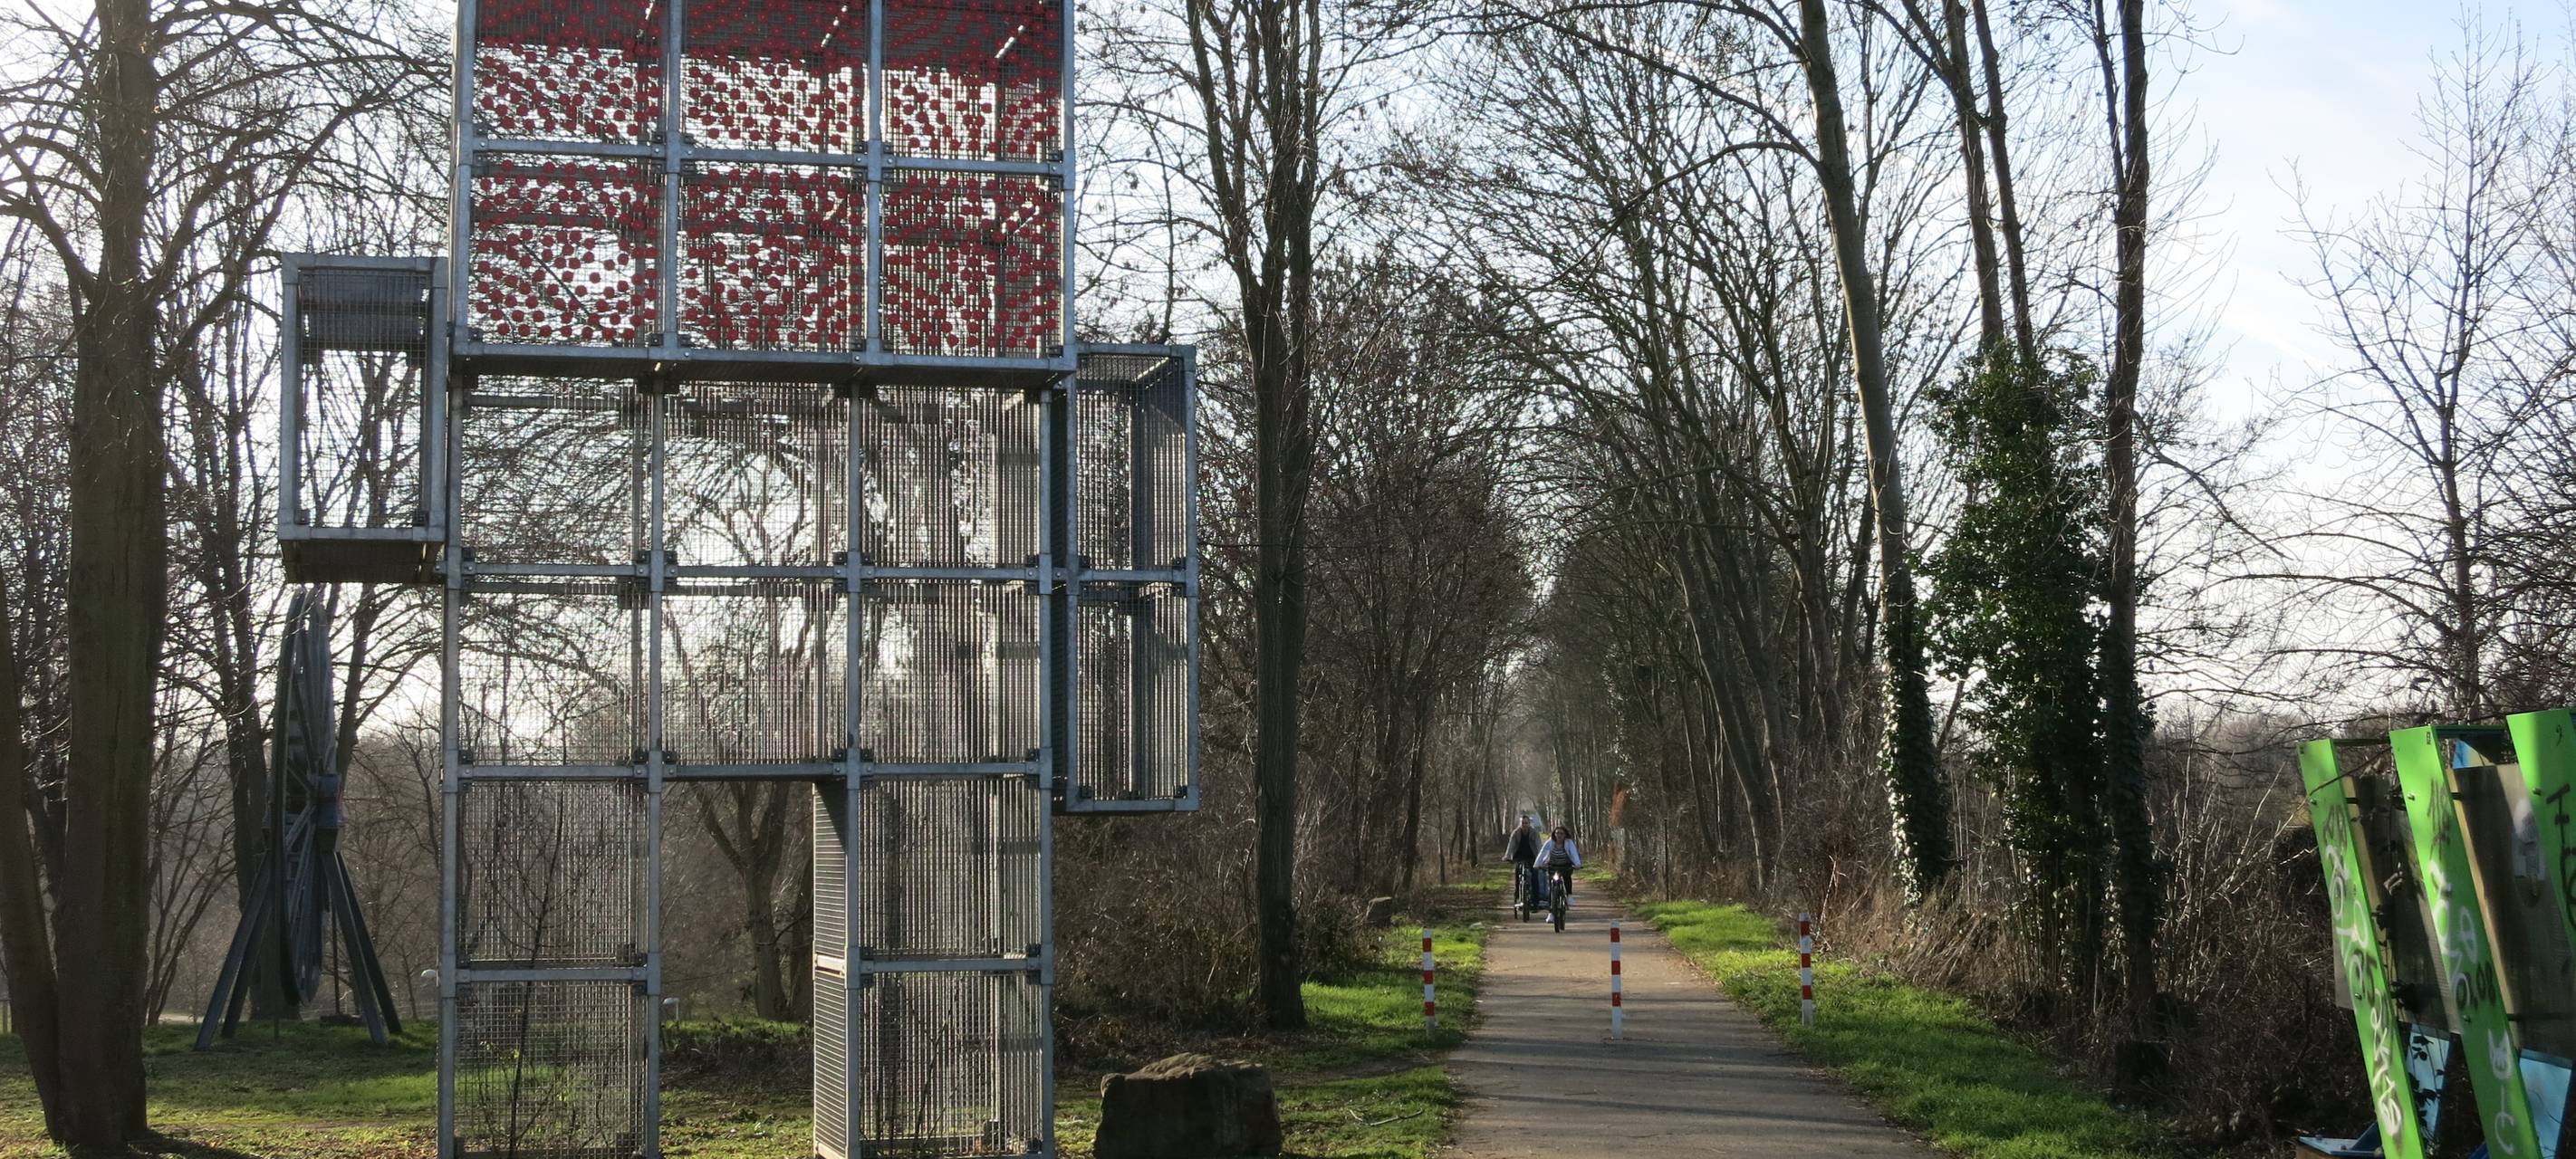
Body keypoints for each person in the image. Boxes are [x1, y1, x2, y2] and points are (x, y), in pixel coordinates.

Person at [1533, 824, 1581, 905]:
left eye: (1561, 833)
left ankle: (1569, 895)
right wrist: (1537, 864)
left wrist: (1577, 864)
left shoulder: (1569, 842)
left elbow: (1573, 853)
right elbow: (1543, 852)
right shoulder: (1550, 842)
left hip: (1565, 866)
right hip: (1553, 866)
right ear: (1554, 834)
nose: (1559, 835)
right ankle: (1551, 907)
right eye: (1557, 833)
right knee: (1551, 884)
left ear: (1565, 835)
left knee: (1567, 877)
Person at [1504, 816, 1542, 907]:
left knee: (1534, 875)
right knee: (1518, 872)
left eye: (1526, 823)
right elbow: (1511, 845)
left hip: (1532, 857)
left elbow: (1538, 845)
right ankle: (1517, 892)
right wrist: (1507, 856)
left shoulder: (1534, 832)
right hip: (1519, 857)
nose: (1524, 825)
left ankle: (1536, 899)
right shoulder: (1516, 833)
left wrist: (1541, 858)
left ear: (1529, 824)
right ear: (1520, 824)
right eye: (1523, 823)